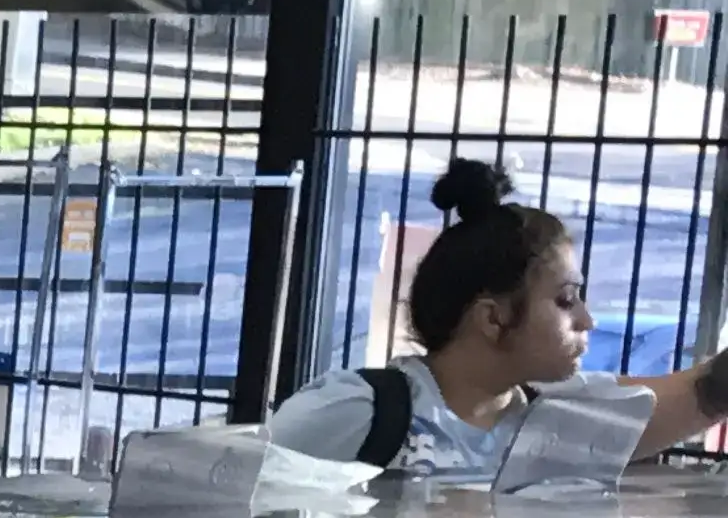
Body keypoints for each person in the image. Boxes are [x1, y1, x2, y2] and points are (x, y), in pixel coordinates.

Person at [268, 158, 728, 478]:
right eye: (567, 300)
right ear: (493, 319)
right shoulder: (359, 413)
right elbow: (240, 498)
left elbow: (698, 395)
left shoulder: (560, 417)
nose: (587, 320)